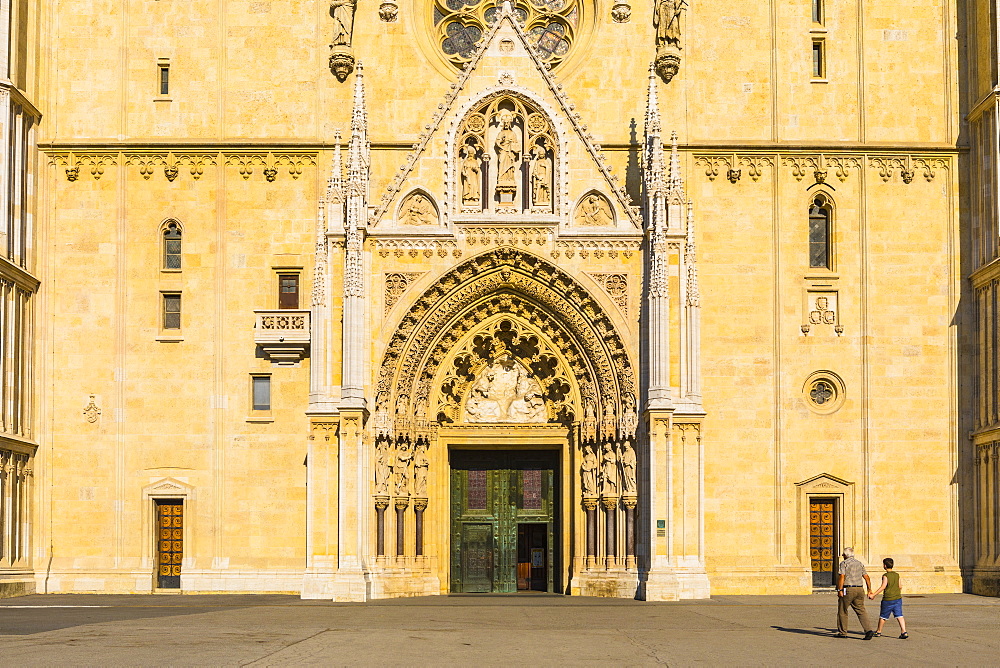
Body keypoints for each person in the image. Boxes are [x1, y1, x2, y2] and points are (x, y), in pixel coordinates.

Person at [835, 547, 875, 640]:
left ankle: (842, 632)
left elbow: (842, 576)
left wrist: (840, 590)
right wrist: (869, 589)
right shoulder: (859, 563)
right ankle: (868, 630)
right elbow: (866, 577)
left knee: (842, 610)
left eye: (843, 554)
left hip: (848, 589)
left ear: (845, 555)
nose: (842, 556)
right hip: (859, 589)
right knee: (861, 610)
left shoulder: (844, 563)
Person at [868, 557, 908, 639]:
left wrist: (874, 594)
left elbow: (883, 586)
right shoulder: (897, 575)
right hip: (897, 598)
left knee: (883, 616)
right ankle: (904, 631)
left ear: (885, 565)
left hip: (888, 599)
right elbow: (900, 586)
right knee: (899, 615)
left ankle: (878, 631)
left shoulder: (885, 576)